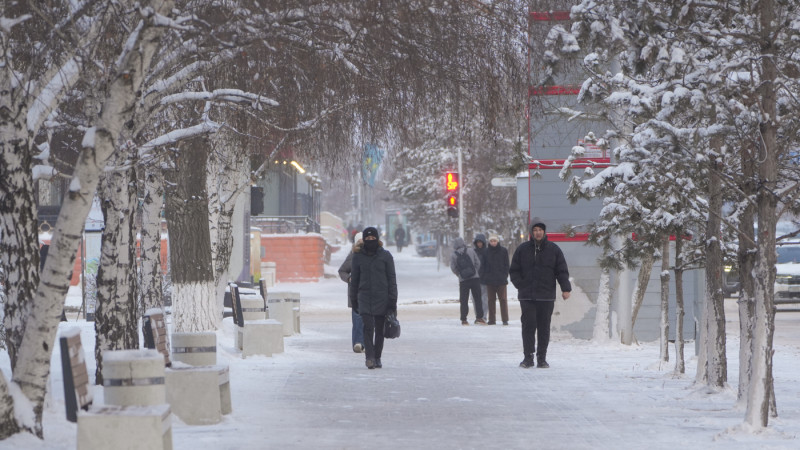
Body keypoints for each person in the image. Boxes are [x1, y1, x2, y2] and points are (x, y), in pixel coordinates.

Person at [509, 220, 571, 369]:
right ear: (531, 232)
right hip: (527, 296)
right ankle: (528, 358)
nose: (538, 232)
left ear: (544, 232)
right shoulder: (523, 249)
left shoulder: (553, 250)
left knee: (544, 328)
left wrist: (566, 288)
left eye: (540, 230)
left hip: (546, 296)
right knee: (528, 327)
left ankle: (542, 358)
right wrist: (520, 284)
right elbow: (514, 270)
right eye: (535, 230)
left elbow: (561, 270)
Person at [350, 227, 398, 369]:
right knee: (368, 328)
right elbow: (354, 281)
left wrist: (392, 301)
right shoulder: (358, 257)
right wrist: (354, 299)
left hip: (382, 298)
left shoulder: (386, 256)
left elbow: (392, 280)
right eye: (367, 238)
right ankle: (369, 357)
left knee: (380, 329)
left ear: (377, 239)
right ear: (364, 240)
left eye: (373, 238)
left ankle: (377, 357)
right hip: (364, 297)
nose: (370, 240)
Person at [338, 232, 365, 353]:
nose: (362, 243)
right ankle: (358, 343)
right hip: (355, 293)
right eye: (359, 241)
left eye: (363, 241)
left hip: (369, 293)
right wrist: (349, 278)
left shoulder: (373, 254)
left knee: (368, 320)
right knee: (357, 318)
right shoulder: (353, 255)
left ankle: (364, 343)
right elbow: (342, 271)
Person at [450, 237, 486, 325]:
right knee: (477, 298)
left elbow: (453, 268)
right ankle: (479, 318)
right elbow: (478, 263)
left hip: (463, 281)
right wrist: (474, 272)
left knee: (464, 300)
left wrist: (460, 274)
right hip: (475, 279)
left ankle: (464, 319)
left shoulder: (454, 255)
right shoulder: (471, 250)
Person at [483, 233, 510, 325]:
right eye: (491, 241)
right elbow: (483, 265)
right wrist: (485, 276)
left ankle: (505, 319)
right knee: (491, 300)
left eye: (494, 241)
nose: (493, 242)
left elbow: (507, 264)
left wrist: (505, 275)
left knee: (503, 300)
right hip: (490, 280)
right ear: (489, 242)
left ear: (497, 241)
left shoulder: (503, 251)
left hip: (501, 280)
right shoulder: (486, 252)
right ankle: (492, 319)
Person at [472, 233, 489, 321]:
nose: (479, 244)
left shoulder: (487, 252)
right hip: (474, 279)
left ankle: (484, 316)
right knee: (475, 299)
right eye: (478, 242)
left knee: (484, 299)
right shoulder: (473, 252)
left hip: (484, 279)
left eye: (481, 242)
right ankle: (478, 316)